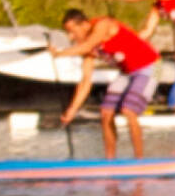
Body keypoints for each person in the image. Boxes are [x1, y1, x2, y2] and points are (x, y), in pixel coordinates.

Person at [49, 9, 161, 159]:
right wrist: (71, 110)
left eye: (72, 31)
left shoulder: (103, 24)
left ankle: (139, 160)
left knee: (128, 110)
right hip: (127, 72)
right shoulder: (86, 46)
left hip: (151, 66)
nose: (71, 36)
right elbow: (85, 81)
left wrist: (59, 54)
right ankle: (109, 161)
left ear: (84, 25)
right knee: (105, 113)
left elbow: (88, 45)